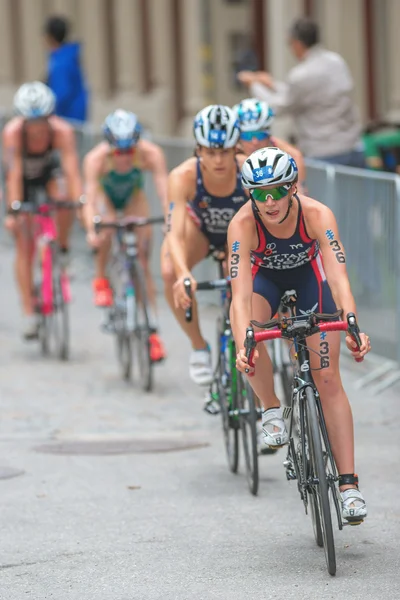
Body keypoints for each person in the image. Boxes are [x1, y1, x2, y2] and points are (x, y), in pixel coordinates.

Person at [226, 146, 370, 522]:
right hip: (264, 284)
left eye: (277, 190)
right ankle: (271, 407)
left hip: (311, 283)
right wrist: (245, 337)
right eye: (259, 193)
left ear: (293, 187)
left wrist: (351, 320)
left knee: (327, 378)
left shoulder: (317, 214)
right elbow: (239, 294)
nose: (269, 201)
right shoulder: (242, 225)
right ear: (250, 194)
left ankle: (349, 485)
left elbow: (337, 275)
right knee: (249, 336)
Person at [162, 105, 247, 386]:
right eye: (211, 152)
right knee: (169, 271)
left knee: (242, 282)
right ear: (198, 150)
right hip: (200, 231)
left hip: (237, 236)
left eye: (225, 152)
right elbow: (173, 231)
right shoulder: (183, 176)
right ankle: (199, 346)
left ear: (236, 147)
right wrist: (184, 272)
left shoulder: (248, 172)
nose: (219, 160)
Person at [83, 109, 168, 362]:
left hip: (133, 198)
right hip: (106, 197)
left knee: (142, 259)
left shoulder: (151, 154)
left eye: (129, 150)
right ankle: (101, 279)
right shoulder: (96, 159)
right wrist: (91, 230)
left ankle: (152, 332)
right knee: (106, 226)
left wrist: (169, 220)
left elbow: (165, 193)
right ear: (109, 147)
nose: (124, 157)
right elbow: (89, 199)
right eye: (118, 152)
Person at [2, 81, 83, 339]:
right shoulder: (13, 133)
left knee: (64, 198)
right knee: (23, 242)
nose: (36, 130)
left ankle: (63, 246)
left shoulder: (62, 131)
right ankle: (29, 311)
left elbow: (71, 169)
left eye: (41, 123)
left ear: (51, 117)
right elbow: (13, 173)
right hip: (21, 180)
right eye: (31, 123)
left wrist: (79, 201)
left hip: (48, 173)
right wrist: (13, 211)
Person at [237, 18, 365, 168]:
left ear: (297, 43)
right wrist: (272, 84)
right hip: (353, 147)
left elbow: (278, 107)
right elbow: (309, 96)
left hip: (324, 153)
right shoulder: (336, 62)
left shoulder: (302, 75)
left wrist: (254, 84)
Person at [233, 97, 307, 190]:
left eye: (260, 135)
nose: (254, 142)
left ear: (269, 134)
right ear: (238, 137)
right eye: (247, 136)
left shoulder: (292, 156)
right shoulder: (229, 154)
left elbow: (300, 196)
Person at [44, 15, 89, 123]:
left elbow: (62, 93)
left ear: (51, 37)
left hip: (68, 118)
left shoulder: (61, 62)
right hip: (77, 114)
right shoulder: (68, 55)